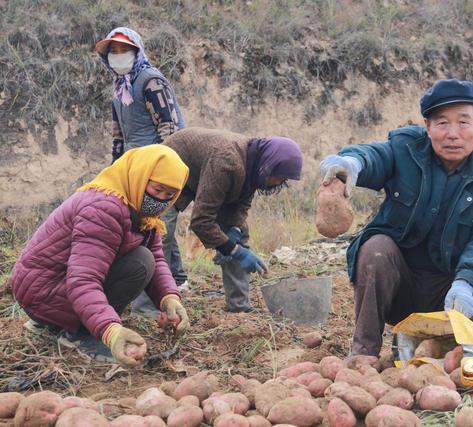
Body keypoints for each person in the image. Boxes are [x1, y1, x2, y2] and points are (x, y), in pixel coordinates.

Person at [320, 79, 473, 356]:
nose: (453, 134)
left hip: (451, 292)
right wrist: (352, 163)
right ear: (427, 127)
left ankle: (449, 349)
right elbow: (376, 156)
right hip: (400, 286)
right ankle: (364, 353)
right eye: (442, 123)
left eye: (463, 122)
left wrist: (466, 282)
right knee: (376, 248)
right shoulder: (406, 148)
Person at [10, 145, 190, 368]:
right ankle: (79, 332)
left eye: (170, 195)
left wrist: (169, 298)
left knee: (146, 258)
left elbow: (157, 256)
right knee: (140, 263)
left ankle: (51, 322)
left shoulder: (138, 208)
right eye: (157, 189)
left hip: (53, 286)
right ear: (139, 176)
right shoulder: (105, 208)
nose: (161, 199)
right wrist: (109, 331)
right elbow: (84, 279)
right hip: (42, 292)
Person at [164, 128, 303, 312]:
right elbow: (201, 220)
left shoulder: (254, 161)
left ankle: (239, 306)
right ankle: (147, 306)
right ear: (269, 164)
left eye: (283, 179)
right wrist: (232, 249)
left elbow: (243, 203)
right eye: (278, 176)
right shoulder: (227, 162)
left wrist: (233, 232)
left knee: (240, 232)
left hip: (202, 172)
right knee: (160, 232)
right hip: (171, 164)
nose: (278, 183)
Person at [95, 26, 188, 299]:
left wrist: (163, 170)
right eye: (114, 51)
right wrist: (115, 172)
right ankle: (177, 279)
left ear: (137, 52)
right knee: (152, 225)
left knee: (157, 225)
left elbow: (170, 127)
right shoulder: (120, 87)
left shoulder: (150, 81)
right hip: (133, 170)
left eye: (125, 50)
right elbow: (118, 135)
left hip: (156, 169)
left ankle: (158, 292)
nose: (119, 56)